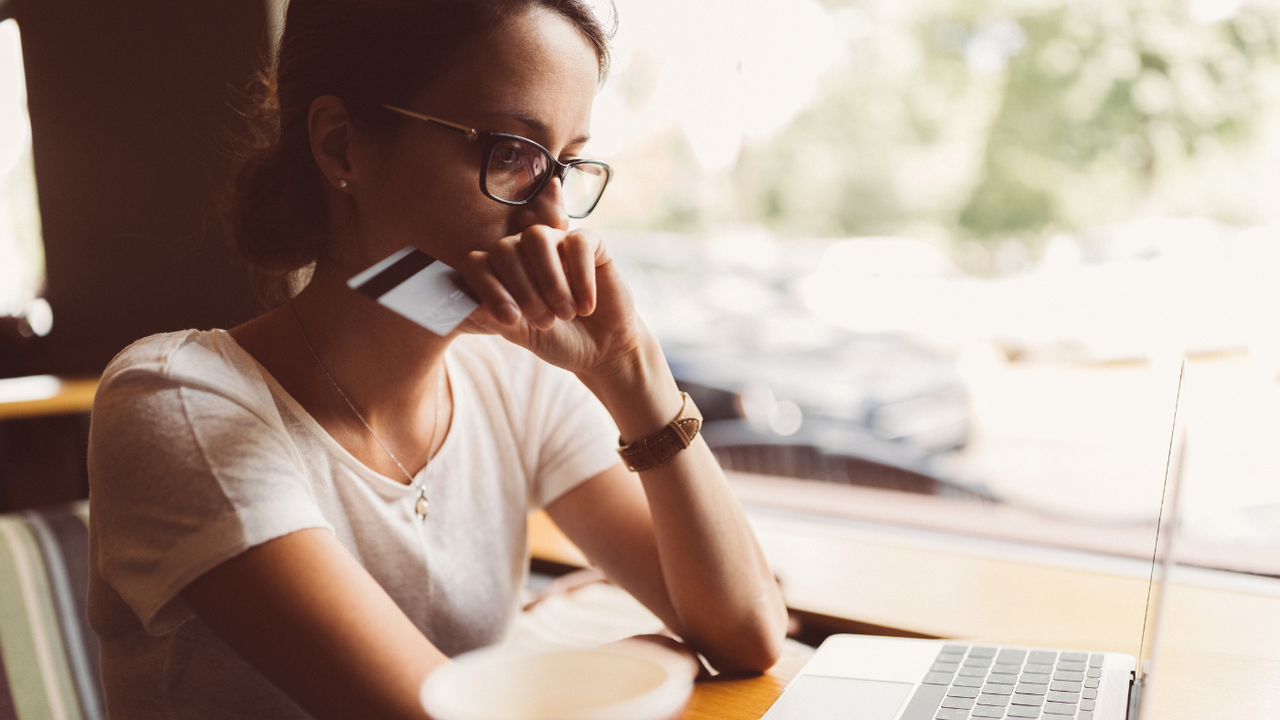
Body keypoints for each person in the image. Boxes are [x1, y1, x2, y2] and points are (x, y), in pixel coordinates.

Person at [86, 1, 788, 718]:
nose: (553, 221)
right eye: (512, 154)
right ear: (341, 148)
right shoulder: (180, 405)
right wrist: (651, 656)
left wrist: (628, 366)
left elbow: (747, 633)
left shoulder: (513, 381)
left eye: (566, 166)